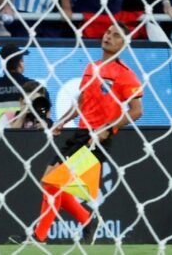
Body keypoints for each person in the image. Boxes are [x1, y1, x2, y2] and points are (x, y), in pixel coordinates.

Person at [36, 22, 144, 242]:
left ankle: (38, 237)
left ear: (124, 44)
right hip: (80, 133)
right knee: (48, 182)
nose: (108, 37)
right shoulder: (91, 67)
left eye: (115, 35)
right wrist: (62, 122)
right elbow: (82, 101)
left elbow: (137, 111)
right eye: (107, 32)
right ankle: (87, 220)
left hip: (98, 139)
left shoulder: (126, 75)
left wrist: (109, 128)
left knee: (53, 183)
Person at [0, 45, 41, 129]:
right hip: (28, 138)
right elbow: (44, 118)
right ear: (20, 63)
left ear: (2, 64)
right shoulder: (35, 88)